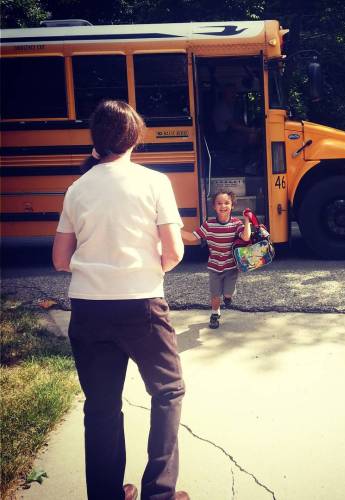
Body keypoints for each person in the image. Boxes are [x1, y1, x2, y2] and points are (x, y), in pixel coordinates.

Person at [52, 100, 189, 500]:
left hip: (88, 311)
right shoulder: (154, 182)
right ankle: (159, 494)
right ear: (135, 138)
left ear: (97, 140)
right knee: (167, 392)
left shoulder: (77, 189)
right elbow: (174, 251)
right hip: (142, 305)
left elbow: (60, 259)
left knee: (101, 406)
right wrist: (151, 270)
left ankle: (107, 495)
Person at [181, 191, 251, 329]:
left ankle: (228, 295)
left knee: (227, 293)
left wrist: (247, 221)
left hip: (231, 267)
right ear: (214, 206)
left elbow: (246, 237)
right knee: (215, 294)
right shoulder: (209, 225)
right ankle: (214, 314)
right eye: (219, 203)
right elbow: (192, 237)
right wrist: (173, 229)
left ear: (232, 206)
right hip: (214, 267)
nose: (223, 206)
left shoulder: (236, 223)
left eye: (226, 203)